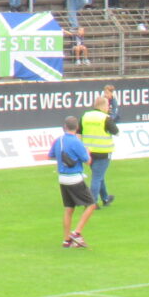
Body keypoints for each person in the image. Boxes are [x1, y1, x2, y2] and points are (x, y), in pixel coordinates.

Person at [48, 115, 95, 247]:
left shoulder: (59, 140)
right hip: (75, 178)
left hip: (62, 179)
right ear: (77, 128)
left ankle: (66, 240)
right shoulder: (76, 142)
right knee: (91, 205)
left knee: (69, 209)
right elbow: (88, 161)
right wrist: (88, 152)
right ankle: (76, 233)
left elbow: (50, 156)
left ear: (65, 127)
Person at [80, 90, 118, 208]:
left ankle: (105, 198)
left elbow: (79, 132)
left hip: (89, 152)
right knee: (97, 177)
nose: (108, 108)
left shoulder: (85, 116)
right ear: (102, 106)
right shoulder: (105, 118)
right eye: (107, 105)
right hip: (103, 152)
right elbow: (116, 132)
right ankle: (92, 202)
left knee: (98, 175)